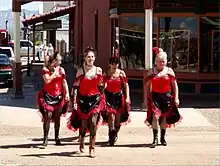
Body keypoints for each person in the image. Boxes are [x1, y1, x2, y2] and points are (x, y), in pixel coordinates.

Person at [67, 46, 105, 158]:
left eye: (92, 56)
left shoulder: (99, 70)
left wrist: (104, 86)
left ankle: (92, 147)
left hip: (95, 99)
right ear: (85, 58)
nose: (91, 59)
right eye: (89, 57)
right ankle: (82, 139)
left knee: (93, 123)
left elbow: (101, 85)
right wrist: (73, 101)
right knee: (83, 125)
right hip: (83, 100)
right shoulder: (80, 71)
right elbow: (75, 86)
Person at [144, 47, 182, 148]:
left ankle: (162, 138)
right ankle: (155, 139)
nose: (161, 63)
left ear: (166, 61)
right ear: (156, 61)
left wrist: (176, 98)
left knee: (164, 117)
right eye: (160, 61)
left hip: (167, 97)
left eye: (163, 61)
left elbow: (175, 85)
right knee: (155, 117)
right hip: (155, 97)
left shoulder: (169, 71)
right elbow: (146, 87)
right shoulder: (151, 72)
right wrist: (145, 98)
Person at [37, 51, 70, 147]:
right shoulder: (45, 70)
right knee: (47, 116)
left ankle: (57, 137)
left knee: (57, 117)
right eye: (58, 61)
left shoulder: (62, 70)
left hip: (58, 95)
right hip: (48, 95)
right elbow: (47, 80)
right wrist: (54, 73)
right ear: (54, 61)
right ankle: (45, 138)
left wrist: (67, 93)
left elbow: (64, 82)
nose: (60, 63)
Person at [101, 56, 131, 146]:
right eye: (112, 63)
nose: (114, 65)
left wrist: (127, 97)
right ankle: (111, 136)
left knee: (117, 120)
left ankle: (115, 132)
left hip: (119, 97)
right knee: (111, 116)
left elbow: (126, 85)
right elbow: (102, 85)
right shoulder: (106, 73)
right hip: (109, 96)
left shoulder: (121, 73)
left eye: (116, 63)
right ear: (109, 64)